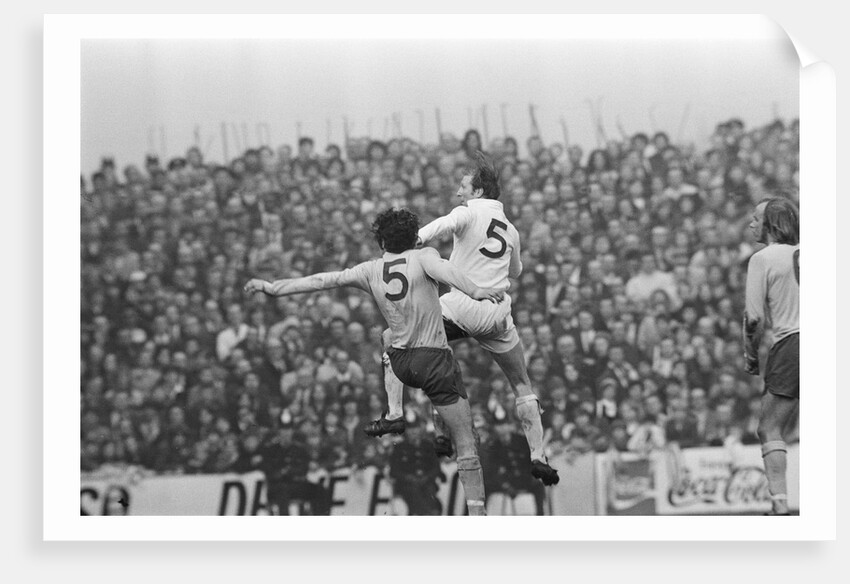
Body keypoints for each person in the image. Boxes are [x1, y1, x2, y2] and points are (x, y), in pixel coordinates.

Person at [245, 208, 503, 516]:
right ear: (415, 239)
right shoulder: (425, 257)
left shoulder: (370, 269)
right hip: (433, 359)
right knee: (466, 441)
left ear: (381, 241)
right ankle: (477, 516)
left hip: (402, 363)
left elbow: (322, 280)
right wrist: (478, 291)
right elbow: (450, 274)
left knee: (387, 336)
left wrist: (272, 287)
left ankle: (395, 410)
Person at [365, 151, 560, 487]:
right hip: (497, 312)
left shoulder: (467, 213)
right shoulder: (511, 230)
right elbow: (516, 271)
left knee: (397, 339)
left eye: (464, 185)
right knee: (521, 383)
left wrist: (411, 241)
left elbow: (441, 226)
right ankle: (538, 455)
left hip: (463, 303)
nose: (459, 191)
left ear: (479, 192)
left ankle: (397, 415)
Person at [743, 197, 799, 516]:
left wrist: (751, 356)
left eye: (756, 219)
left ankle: (779, 505)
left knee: (769, 426)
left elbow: (754, 318)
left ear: (772, 223)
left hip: (792, 343)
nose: (751, 224)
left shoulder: (763, 258)